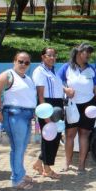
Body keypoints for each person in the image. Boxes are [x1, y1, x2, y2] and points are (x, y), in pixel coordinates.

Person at [0, 52, 37, 190]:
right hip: (14, 114)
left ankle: (20, 173)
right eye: (20, 61)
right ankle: (16, 179)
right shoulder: (8, 75)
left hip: (27, 115)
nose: (23, 64)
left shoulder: (28, 79)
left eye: (27, 62)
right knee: (17, 148)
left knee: (22, 147)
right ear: (14, 61)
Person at [58, 43, 96, 173]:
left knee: (84, 134)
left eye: (90, 52)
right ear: (78, 52)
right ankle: (67, 163)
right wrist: (66, 89)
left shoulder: (91, 69)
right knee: (70, 134)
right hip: (72, 105)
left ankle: (81, 165)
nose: (88, 55)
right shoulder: (67, 67)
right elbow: (57, 81)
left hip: (89, 105)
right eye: (86, 52)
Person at [32, 47, 66, 179]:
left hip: (57, 105)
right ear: (43, 57)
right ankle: (47, 168)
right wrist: (45, 114)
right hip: (47, 105)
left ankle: (39, 163)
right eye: (49, 55)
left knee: (55, 136)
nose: (52, 58)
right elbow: (40, 94)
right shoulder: (39, 71)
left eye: (54, 55)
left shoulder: (53, 72)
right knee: (49, 137)